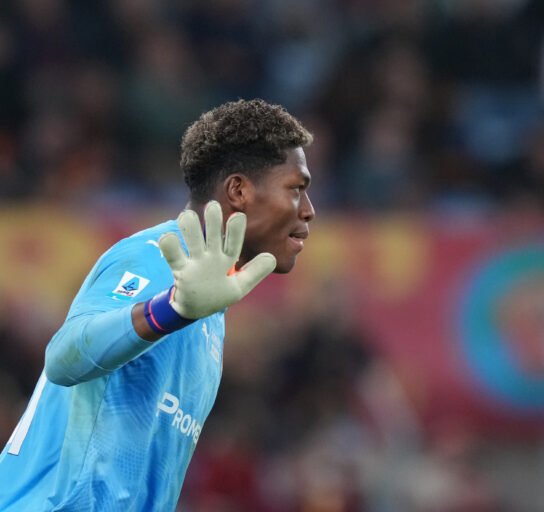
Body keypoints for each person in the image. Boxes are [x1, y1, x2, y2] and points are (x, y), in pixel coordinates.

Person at [0, 98, 316, 510]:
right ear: (238, 190)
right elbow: (63, 358)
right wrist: (173, 308)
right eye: (296, 189)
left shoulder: (208, 310)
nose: (309, 211)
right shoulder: (154, 258)